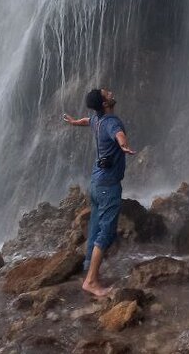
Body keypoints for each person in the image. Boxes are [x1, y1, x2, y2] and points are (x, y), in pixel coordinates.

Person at [62, 86, 137, 296]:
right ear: (104, 104)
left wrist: (75, 122)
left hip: (95, 184)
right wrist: (124, 145)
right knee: (106, 232)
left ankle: (89, 267)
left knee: (95, 227)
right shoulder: (112, 122)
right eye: (106, 94)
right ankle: (92, 281)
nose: (110, 92)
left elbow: (87, 121)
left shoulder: (97, 119)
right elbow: (119, 133)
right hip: (107, 186)